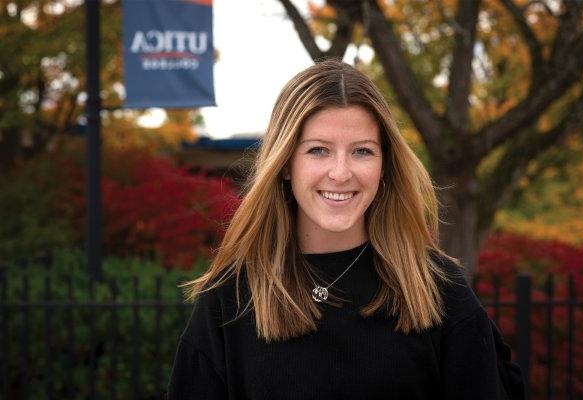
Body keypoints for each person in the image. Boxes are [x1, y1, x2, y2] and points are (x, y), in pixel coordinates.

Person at [167, 59, 508, 399]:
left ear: (383, 165)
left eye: (362, 151)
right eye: (318, 150)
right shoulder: (230, 298)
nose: (341, 173)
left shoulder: (438, 289)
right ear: (286, 163)